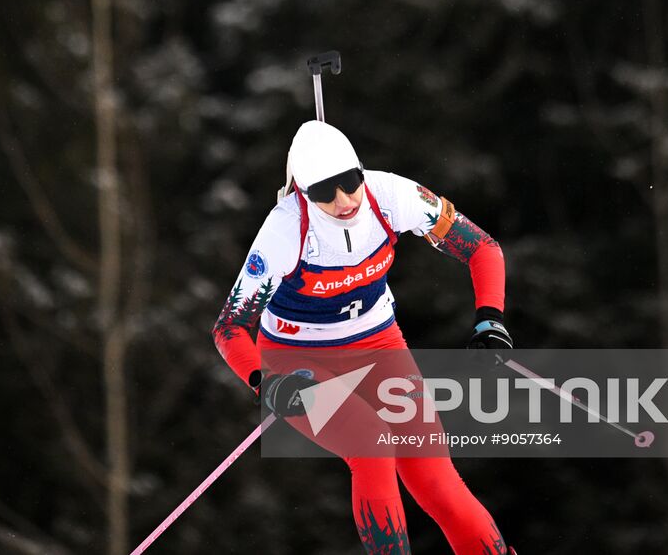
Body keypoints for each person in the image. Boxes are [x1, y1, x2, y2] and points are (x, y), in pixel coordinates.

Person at [213, 120, 517, 554]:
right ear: (302, 192)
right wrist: (266, 382)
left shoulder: (392, 196)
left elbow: (482, 248)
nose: (342, 201)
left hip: (377, 346)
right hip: (295, 362)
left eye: (349, 183)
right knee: (370, 443)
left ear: (361, 171)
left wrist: (491, 319)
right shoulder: (285, 231)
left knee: (436, 478)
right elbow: (229, 327)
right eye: (323, 192)